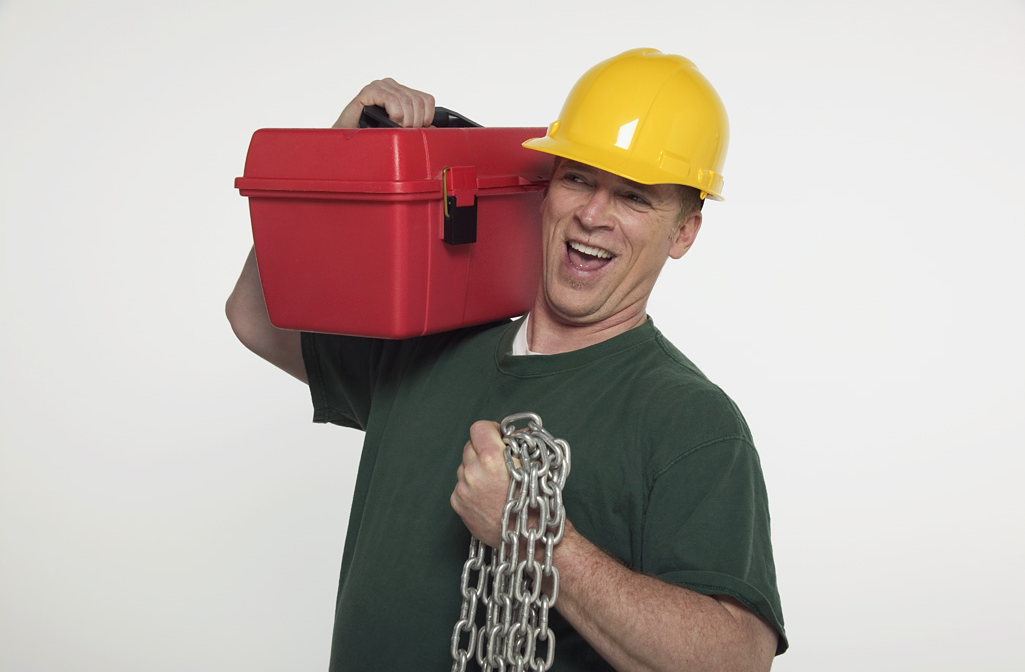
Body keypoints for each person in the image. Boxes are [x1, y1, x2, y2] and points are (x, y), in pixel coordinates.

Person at [227, 48, 786, 671]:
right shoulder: (428, 342)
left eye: (634, 197)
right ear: (544, 188)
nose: (593, 216)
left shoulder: (690, 421)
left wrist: (536, 536)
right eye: (578, 179)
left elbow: (737, 658)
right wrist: (339, 161)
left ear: (683, 232)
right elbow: (256, 316)